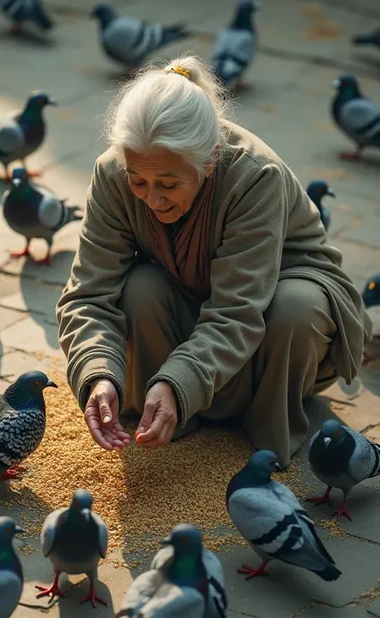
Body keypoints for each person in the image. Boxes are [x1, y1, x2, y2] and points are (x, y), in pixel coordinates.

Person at [56, 55, 371, 466]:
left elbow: (237, 310)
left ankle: (260, 422)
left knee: (297, 306)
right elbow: (88, 295)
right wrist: (97, 372)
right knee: (140, 289)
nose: (152, 198)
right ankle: (165, 410)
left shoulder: (256, 176)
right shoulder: (113, 172)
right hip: (194, 306)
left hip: (272, 327)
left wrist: (179, 381)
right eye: (139, 181)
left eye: (168, 183)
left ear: (209, 161)